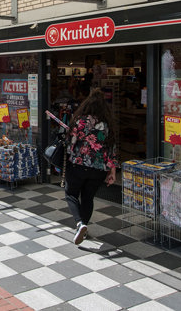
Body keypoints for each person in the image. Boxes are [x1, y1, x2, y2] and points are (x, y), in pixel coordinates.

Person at [64, 87, 118, 246]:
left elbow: (71, 143)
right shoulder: (106, 124)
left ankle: (79, 223)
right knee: (88, 197)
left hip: (78, 165)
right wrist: (112, 171)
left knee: (71, 193)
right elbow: (112, 149)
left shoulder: (80, 121)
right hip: (98, 169)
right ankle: (83, 228)